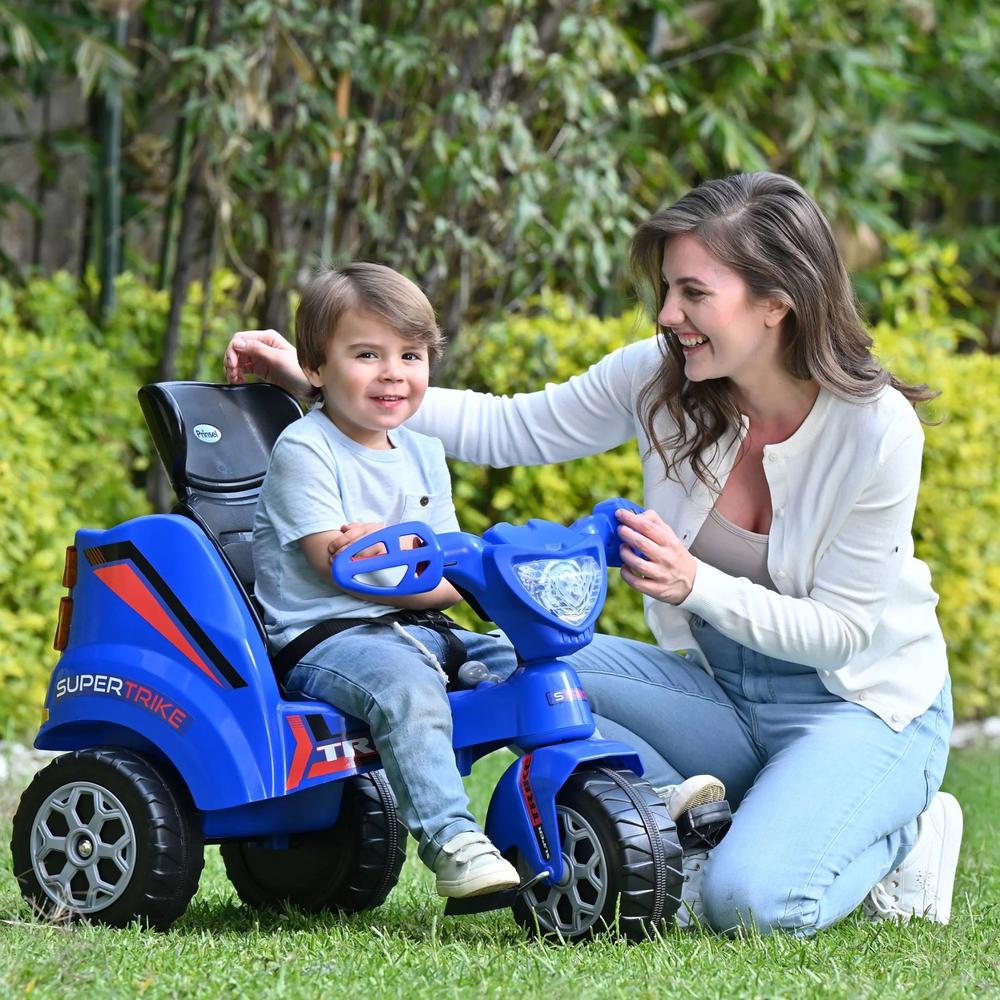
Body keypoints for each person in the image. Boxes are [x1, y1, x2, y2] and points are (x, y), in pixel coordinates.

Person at [226, 172, 961, 935]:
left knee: (749, 904)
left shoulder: (874, 430)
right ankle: (726, 818)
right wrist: (329, 382)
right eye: (668, 290)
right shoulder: (660, 376)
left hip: (855, 702)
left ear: (777, 302)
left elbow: (843, 632)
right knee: (506, 669)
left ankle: (906, 838)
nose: (669, 314)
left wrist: (693, 583)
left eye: (693, 293)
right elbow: (510, 429)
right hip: (722, 692)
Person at [253, 262, 528, 898]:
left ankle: (632, 786)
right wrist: (419, 570)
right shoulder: (306, 448)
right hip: (328, 637)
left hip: (420, 627)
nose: (393, 373)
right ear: (316, 369)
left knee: (535, 664)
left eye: (411, 354)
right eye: (367, 354)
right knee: (407, 688)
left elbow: (442, 568)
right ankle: (453, 842)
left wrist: (411, 563)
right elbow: (343, 571)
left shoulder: (425, 451)